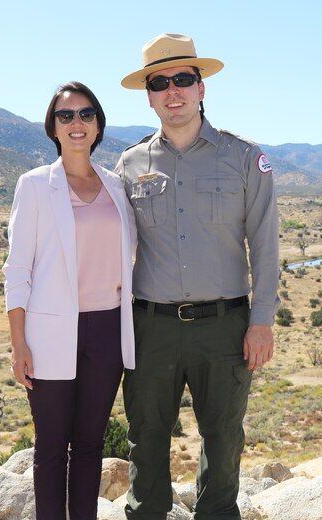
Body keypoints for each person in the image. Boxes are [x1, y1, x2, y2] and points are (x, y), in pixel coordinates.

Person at [116, 34, 280, 519]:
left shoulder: (245, 158)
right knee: (146, 436)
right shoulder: (130, 164)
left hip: (225, 326)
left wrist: (262, 320)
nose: (173, 90)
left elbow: (266, 245)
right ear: (148, 95)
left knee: (224, 436)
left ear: (201, 87)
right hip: (151, 327)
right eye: (159, 82)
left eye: (183, 78)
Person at [2, 81, 136, 519]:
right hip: (50, 332)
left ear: (97, 125)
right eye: (66, 116)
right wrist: (18, 344)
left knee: (90, 444)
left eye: (85, 114)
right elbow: (18, 268)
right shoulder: (36, 185)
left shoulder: (118, 187)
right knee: (51, 446)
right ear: (53, 127)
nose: (76, 123)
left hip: (108, 329)